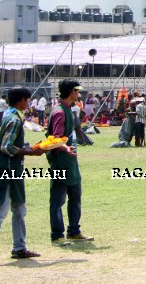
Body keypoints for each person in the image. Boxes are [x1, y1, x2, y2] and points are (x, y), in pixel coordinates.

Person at [0, 86, 48, 267]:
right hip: (7, 170)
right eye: (28, 100)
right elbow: (6, 147)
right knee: (1, 211)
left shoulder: (11, 115)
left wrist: (28, 149)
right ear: (22, 100)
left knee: (19, 208)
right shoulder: (14, 119)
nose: (28, 103)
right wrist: (30, 153)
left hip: (14, 170)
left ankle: (19, 248)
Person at [48, 79, 92, 245]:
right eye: (77, 91)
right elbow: (56, 138)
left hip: (70, 161)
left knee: (75, 196)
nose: (79, 94)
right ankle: (57, 235)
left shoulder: (67, 109)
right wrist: (65, 148)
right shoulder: (59, 112)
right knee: (58, 199)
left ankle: (74, 231)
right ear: (72, 92)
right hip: (61, 161)